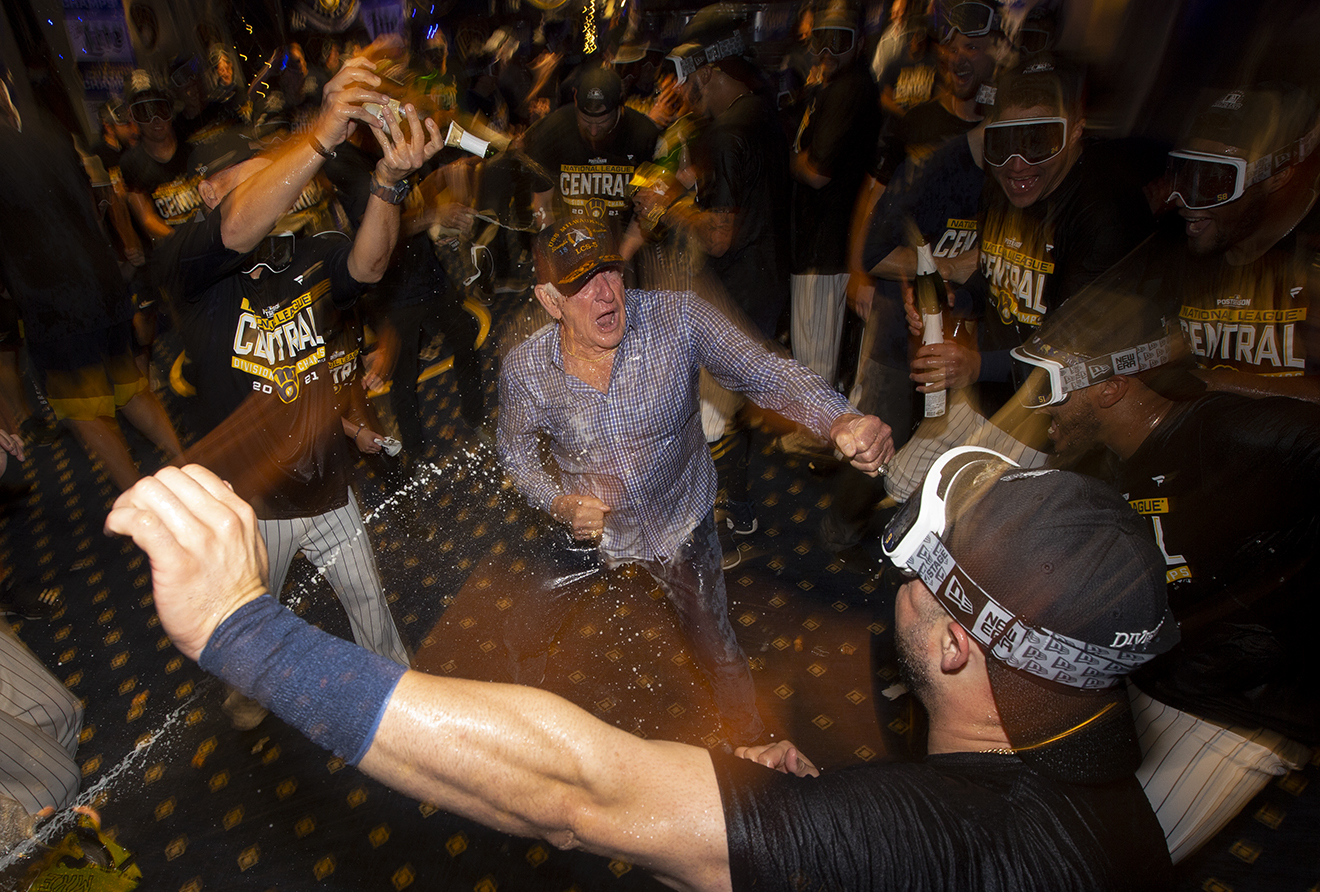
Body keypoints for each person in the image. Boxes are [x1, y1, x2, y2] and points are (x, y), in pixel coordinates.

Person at [105, 450, 1175, 891]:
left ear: (953, 645)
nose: (894, 580)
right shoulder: (1118, 801)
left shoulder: (933, 830)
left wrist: (247, 632)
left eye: (917, 575)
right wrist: (794, 832)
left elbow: (577, 791)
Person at [496, 217, 894, 745]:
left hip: (677, 524)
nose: (604, 294)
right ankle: (528, 734)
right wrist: (560, 502)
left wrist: (839, 419)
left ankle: (752, 742)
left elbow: (764, 372)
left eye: (610, 271)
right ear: (550, 301)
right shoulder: (526, 371)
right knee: (526, 630)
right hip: (589, 533)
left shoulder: (677, 319)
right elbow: (514, 454)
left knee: (717, 646)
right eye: (580, 285)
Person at [151, 49, 444, 724]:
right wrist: (320, 131)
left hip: (324, 486)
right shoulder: (188, 266)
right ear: (208, 190)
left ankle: (404, 711)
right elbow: (235, 227)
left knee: (373, 612)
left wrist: (390, 183)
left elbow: (368, 267)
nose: (277, 195)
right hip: (246, 503)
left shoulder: (300, 258)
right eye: (254, 182)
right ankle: (247, 684)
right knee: (253, 626)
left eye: (274, 180)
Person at [1015, 291, 1319, 862]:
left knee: (1090, 865)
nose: (1038, 406)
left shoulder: (1227, 437)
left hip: (1235, 706)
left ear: (1110, 385)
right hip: (1164, 665)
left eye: (1050, 385)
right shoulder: (1112, 457)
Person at [0, 69, 183, 493]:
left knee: (85, 412)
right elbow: (99, 192)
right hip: (99, 284)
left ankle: (144, 506)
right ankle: (188, 462)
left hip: (51, 302)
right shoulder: (47, 127)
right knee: (132, 389)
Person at [1156, 83, 1320, 402]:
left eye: (1216, 179)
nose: (1186, 199)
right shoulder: (1176, 251)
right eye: (1187, 172)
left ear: (1278, 175)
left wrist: (1206, 384)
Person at [789, 0, 882, 389]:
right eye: (820, 41)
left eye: (837, 41)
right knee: (813, 347)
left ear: (858, 43)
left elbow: (816, 173)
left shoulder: (848, 89)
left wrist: (791, 157)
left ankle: (816, 436)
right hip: (821, 241)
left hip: (828, 244)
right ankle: (813, 431)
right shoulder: (836, 85)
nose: (826, 52)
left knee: (815, 353)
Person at [522, 67, 660, 229]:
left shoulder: (643, 134)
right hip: (569, 235)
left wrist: (622, 254)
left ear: (619, 106)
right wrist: (556, 245)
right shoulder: (552, 131)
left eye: (602, 122)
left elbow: (649, 211)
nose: (594, 131)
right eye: (586, 120)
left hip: (623, 235)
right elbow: (542, 203)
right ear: (575, 100)